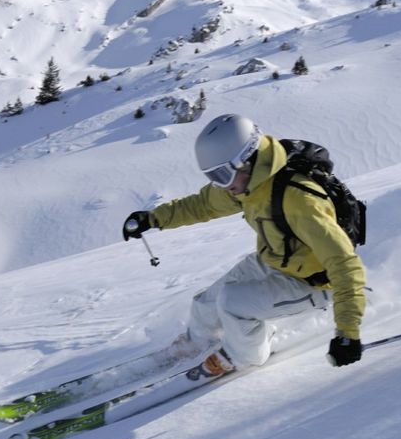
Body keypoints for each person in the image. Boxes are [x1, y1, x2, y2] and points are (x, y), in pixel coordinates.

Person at [122, 113, 367, 377]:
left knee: (233, 304)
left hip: (313, 282)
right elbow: (203, 204)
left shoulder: (300, 200)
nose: (222, 186)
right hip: (277, 260)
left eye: (223, 175)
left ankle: (242, 357)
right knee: (206, 303)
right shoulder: (247, 184)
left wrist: (347, 334)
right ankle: (196, 344)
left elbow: (345, 264)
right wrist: (153, 218)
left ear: (247, 160)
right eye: (214, 177)